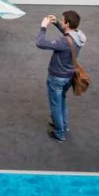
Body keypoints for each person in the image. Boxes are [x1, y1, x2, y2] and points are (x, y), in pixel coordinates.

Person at [36, 11, 86, 142]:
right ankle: (64, 126)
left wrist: (43, 26)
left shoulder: (63, 42)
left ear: (67, 23)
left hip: (57, 77)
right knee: (62, 101)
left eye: (62, 20)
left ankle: (59, 133)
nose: (61, 21)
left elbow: (40, 43)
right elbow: (68, 33)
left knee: (55, 105)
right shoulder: (80, 35)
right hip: (69, 76)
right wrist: (56, 22)